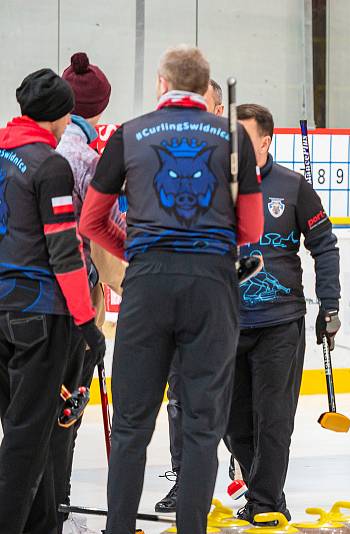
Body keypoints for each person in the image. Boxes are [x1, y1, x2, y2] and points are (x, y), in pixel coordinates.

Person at [80, 45, 263, 532]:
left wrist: (137, 247)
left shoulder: (128, 134)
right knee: (203, 426)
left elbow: (91, 220)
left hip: (148, 284)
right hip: (211, 284)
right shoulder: (233, 137)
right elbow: (251, 229)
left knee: (131, 425)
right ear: (206, 89)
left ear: (161, 84)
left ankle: (118, 527)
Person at [0, 68, 105, 534]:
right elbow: (65, 251)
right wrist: (87, 323)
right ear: (62, 115)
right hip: (39, 315)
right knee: (26, 443)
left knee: (29, 433)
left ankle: (43, 526)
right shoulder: (49, 164)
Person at [225, 103, 341, 523]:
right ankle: (266, 492)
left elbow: (324, 245)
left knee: (273, 419)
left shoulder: (292, 187)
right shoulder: (219, 184)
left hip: (280, 324)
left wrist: (330, 305)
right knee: (234, 423)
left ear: (265, 141)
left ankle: (266, 502)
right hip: (227, 324)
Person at [55, 50, 123, 533]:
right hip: (75, 307)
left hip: (25, 304)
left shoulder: (32, 150)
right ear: (98, 107)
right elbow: (100, 236)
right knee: (66, 411)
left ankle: (40, 500)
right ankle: (56, 500)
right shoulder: (87, 160)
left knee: (31, 412)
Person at [155, 77, 228, 514]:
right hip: (179, 303)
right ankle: (184, 478)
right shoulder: (168, 162)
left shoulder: (238, 163)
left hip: (232, 305)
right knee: (180, 396)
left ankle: (251, 478)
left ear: (218, 109)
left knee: (234, 398)